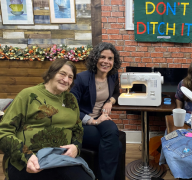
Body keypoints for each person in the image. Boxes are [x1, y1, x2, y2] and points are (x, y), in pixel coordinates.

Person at [0, 59, 91, 180]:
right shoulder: (27, 95)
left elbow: (78, 129)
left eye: (70, 77)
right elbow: (3, 131)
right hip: (29, 159)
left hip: (60, 159)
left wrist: (76, 147)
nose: (66, 80)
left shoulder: (71, 99)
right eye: (62, 74)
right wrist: (26, 155)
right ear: (51, 73)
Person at [70, 42, 122, 180]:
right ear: (95, 58)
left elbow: (117, 93)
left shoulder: (112, 75)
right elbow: (71, 107)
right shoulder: (82, 78)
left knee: (112, 131)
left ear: (114, 61)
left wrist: (110, 101)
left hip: (101, 117)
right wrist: (92, 120)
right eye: (102, 57)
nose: (106, 61)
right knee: (116, 145)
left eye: (110, 58)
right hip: (81, 121)